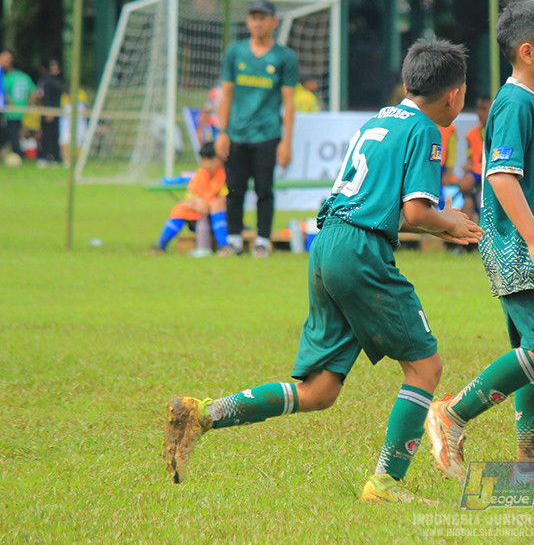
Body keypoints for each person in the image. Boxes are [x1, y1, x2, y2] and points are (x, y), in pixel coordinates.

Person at [161, 37, 483, 503]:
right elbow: (415, 212)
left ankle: (203, 414)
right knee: (425, 367)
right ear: (454, 95)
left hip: (329, 242)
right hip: (360, 251)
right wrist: (448, 222)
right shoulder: (427, 131)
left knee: (318, 390)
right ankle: (385, 483)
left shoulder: (379, 120)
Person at [424, 0, 534, 485]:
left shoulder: (533, 102)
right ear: (526, 51)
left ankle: (530, 465)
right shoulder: (515, 102)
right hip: (523, 249)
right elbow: (500, 176)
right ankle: (452, 413)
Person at [215, 0, 298, 258]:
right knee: (234, 190)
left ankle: (262, 241)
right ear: (248, 21)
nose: (257, 22)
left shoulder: (284, 57)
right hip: (237, 134)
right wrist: (222, 132)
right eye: (253, 17)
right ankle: (233, 241)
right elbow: (226, 94)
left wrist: (286, 141)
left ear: (273, 22)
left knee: (264, 189)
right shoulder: (236, 52)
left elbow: (288, 102)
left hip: (267, 135)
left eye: (263, 18)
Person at [148, 141, 229, 254]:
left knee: (217, 205)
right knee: (181, 208)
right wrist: (199, 202)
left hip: (225, 219)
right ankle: (160, 245)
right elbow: (189, 200)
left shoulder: (227, 175)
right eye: (204, 160)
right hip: (200, 218)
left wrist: (205, 203)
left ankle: (224, 246)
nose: (207, 164)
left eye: (211, 160)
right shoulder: (200, 175)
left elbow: (225, 200)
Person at [459, 94, 491, 220]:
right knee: (464, 185)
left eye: (484, 109)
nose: (479, 113)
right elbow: (470, 157)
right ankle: (471, 212)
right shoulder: (471, 134)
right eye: (478, 109)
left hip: (491, 170)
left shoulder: (498, 132)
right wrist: (468, 165)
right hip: (477, 170)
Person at [0, 50, 35, 160]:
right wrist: (29, 105)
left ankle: (17, 153)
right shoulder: (25, 77)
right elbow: (34, 92)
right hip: (23, 111)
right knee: (17, 132)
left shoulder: (8, 78)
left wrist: (11, 105)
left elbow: (4, 93)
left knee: (13, 133)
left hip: (11, 111)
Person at [36, 58, 65, 166]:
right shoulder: (46, 81)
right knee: (46, 135)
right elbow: (42, 96)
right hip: (48, 111)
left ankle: (55, 157)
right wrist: (47, 111)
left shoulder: (58, 81)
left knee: (55, 135)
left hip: (57, 112)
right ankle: (45, 156)